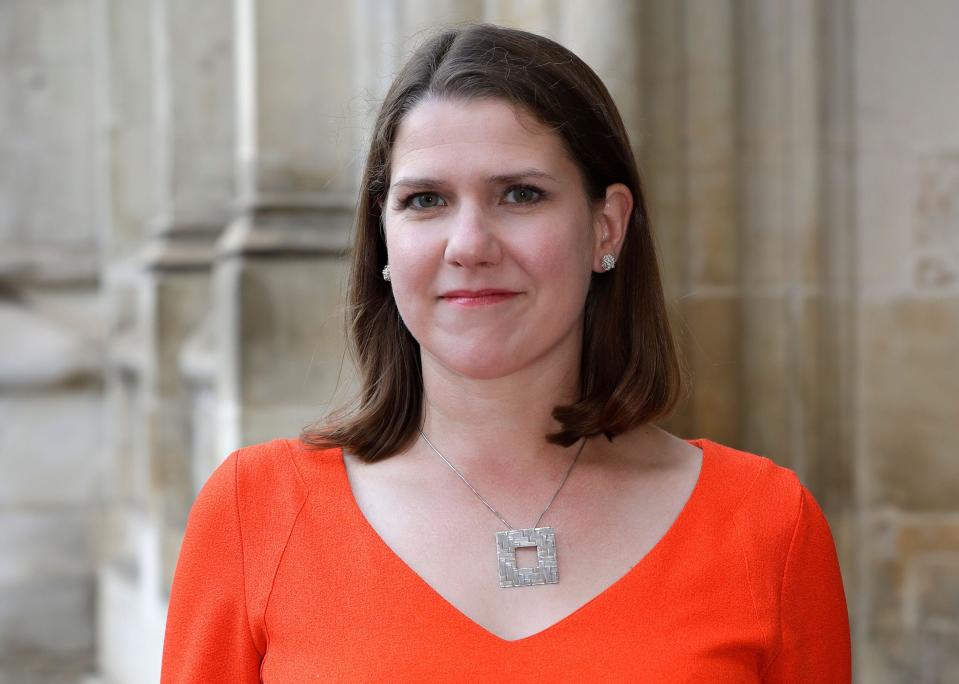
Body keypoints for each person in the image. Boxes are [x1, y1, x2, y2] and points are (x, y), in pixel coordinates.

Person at [160, 23, 851, 682]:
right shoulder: (256, 514)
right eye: (425, 200)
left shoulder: (765, 526)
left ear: (605, 225)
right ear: (384, 240)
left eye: (520, 195)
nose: (468, 245)